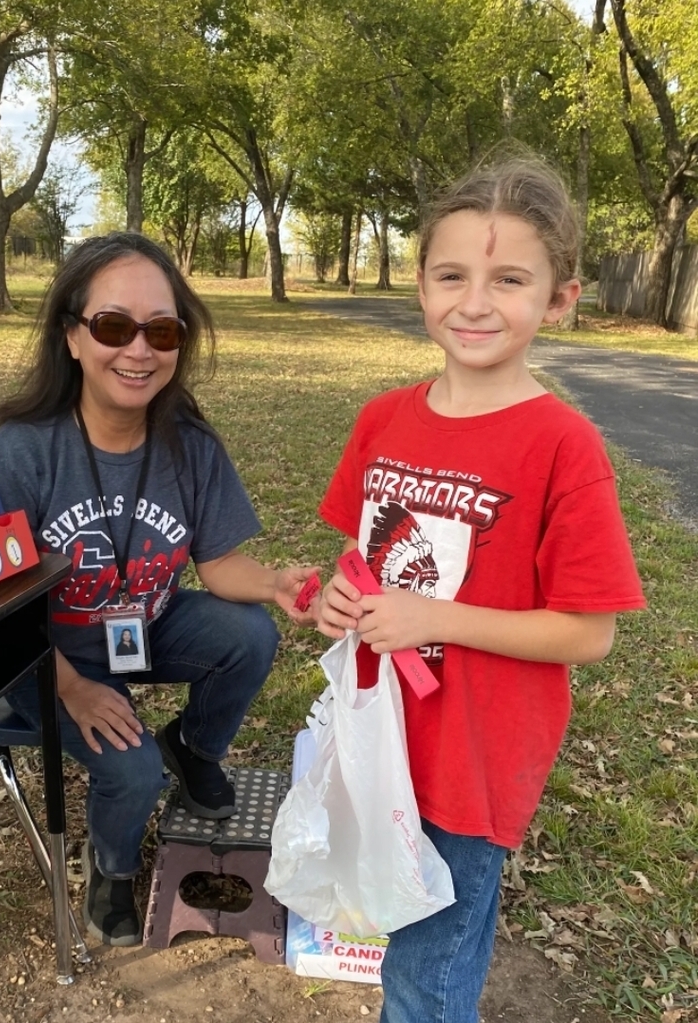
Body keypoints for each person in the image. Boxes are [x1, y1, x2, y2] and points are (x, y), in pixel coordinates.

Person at [313, 158, 646, 1023]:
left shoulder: (562, 445)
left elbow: (589, 632)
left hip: (472, 759)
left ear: (560, 299)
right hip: (378, 736)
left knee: (429, 970)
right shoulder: (383, 419)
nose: (475, 301)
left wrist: (435, 616)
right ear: (420, 285)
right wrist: (336, 601)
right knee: (388, 919)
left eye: (509, 279)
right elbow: (362, 558)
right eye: (452, 275)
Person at [0, 232, 316, 948]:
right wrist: (71, 686)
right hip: (40, 654)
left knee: (249, 632)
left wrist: (275, 584)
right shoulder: (21, 452)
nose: (139, 350)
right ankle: (109, 866)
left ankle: (194, 747)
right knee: (132, 773)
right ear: (73, 336)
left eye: (161, 330)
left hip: (144, 627)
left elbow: (219, 565)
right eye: (113, 326)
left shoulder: (189, 443)